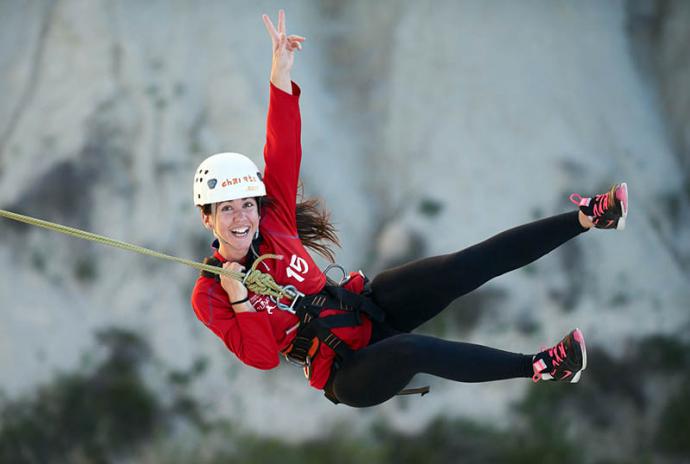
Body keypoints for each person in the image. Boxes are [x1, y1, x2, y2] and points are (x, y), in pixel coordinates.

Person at [190, 10, 629, 408]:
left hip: (368, 308)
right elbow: (263, 359)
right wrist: (239, 296)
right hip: (348, 370)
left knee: (462, 267)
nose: (242, 217)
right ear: (208, 218)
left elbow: (282, 148)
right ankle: (542, 366)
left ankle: (590, 217)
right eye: (227, 209)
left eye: (247, 204)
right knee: (413, 350)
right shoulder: (210, 294)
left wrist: (280, 71)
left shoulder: (274, 221)